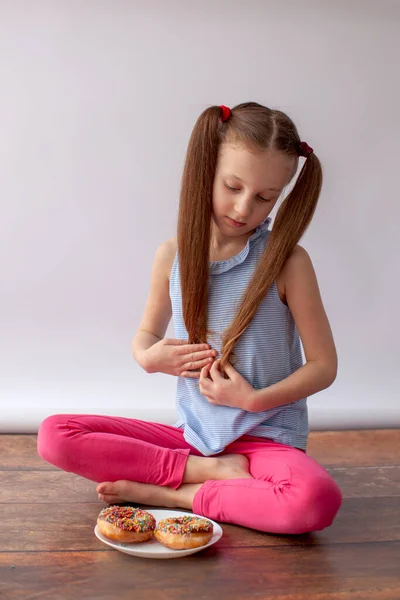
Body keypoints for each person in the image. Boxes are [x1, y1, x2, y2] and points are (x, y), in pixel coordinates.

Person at [37, 102, 342, 534]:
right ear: (207, 173)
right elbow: (146, 335)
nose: (243, 208)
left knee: (314, 502)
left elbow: (323, 366)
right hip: (192, 441)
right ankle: (207, 473)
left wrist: (252, 401)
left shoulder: (289, 262)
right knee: (54, 434)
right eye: (232, 186)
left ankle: (173, 495)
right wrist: (149, 357)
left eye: (264, 198)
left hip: (267, 441)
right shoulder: (172, 255)